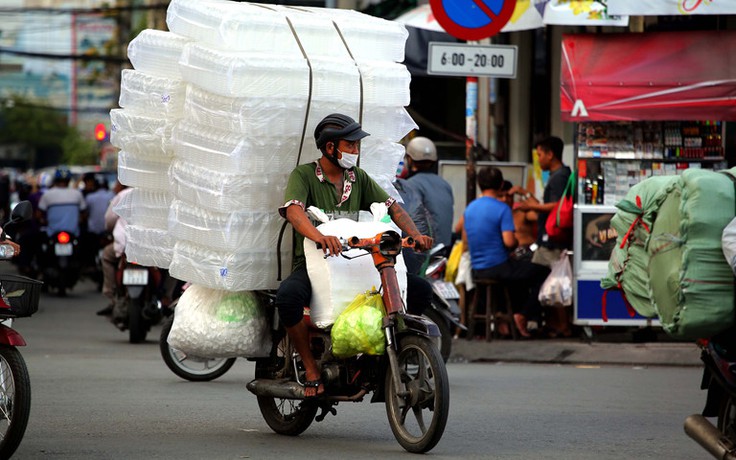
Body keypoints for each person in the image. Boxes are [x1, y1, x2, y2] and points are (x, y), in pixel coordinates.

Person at [277, 113, 434, 398]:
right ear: (330, 148)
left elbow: (392, 207)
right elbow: (294, 211)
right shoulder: (304, 175)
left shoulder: (357, 177)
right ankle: (311, 368)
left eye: (356, 145)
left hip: (356, 263)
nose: (355, 151)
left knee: (421, 290)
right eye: (350, 145)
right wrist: (319, 236)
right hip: (315, 266)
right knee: (288, 298)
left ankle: (379, 360)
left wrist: (415, 234)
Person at [463, 166, 549, 338]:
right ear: (501, 184)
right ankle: (522, 315)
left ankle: (508, 319)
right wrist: (516, 241)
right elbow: (509, 241)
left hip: (477, 269)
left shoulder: (470, 208)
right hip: (498, 266)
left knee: (518, 274)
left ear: (479, 185)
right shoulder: (502, 208)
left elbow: (466, 238)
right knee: (544, 272)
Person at [512, 136, 573, 337]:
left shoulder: (560, 177)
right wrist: (527, 196)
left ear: (550, 154)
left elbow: (556, 206)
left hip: (551, 240)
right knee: (549, 281)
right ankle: (556, 325)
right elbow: (547, 205)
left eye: (539, 155)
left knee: (552, 283)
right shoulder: (558, 175)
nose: (538, 160)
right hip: (548, 238)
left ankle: (536, 318)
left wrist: (531, 206)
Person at [401, 136, 454, 275]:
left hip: (425, 249)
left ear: (410, 159)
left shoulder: (410, 185)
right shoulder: (445, 184)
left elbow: (413, 217)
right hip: (445, 248)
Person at [98, 181, 131, 317]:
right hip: (151, 246)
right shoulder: (156, 194)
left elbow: (110, 220)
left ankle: (111, 295)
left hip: (124, 245)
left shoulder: (122, 195)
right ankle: (166, 297)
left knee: (106, 255)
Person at [37, 167, 88, 238]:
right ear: (69, 180)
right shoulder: (77, 194)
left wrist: (46, 222)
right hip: (74, 234)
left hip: (52, 234)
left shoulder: (47, 194)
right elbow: (84, 214)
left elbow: (38, 215)